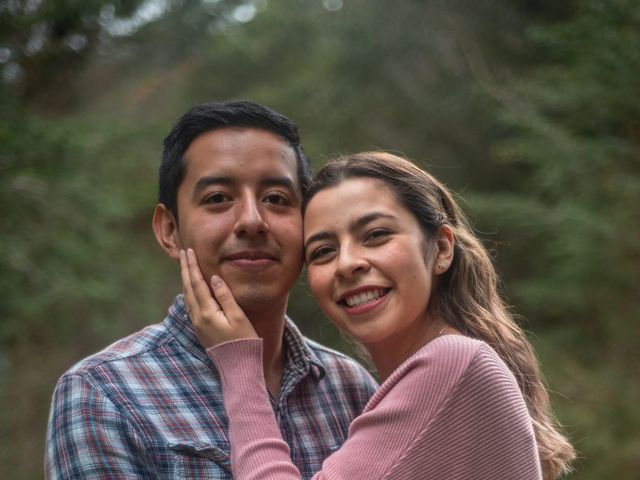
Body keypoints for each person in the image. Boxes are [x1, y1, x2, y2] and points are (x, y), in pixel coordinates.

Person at [182, 151, 576, 479]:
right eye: (323, 251)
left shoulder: (454, 364)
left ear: (440, 249)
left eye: (375, 235)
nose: (347, 264)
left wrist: (239, 362)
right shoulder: (402, 383)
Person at [45, 101, 378, 479]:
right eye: (218, 198)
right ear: (169, 230)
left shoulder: (351, 388)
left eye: (276, 199)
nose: (252, 221)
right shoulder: (104, 394)